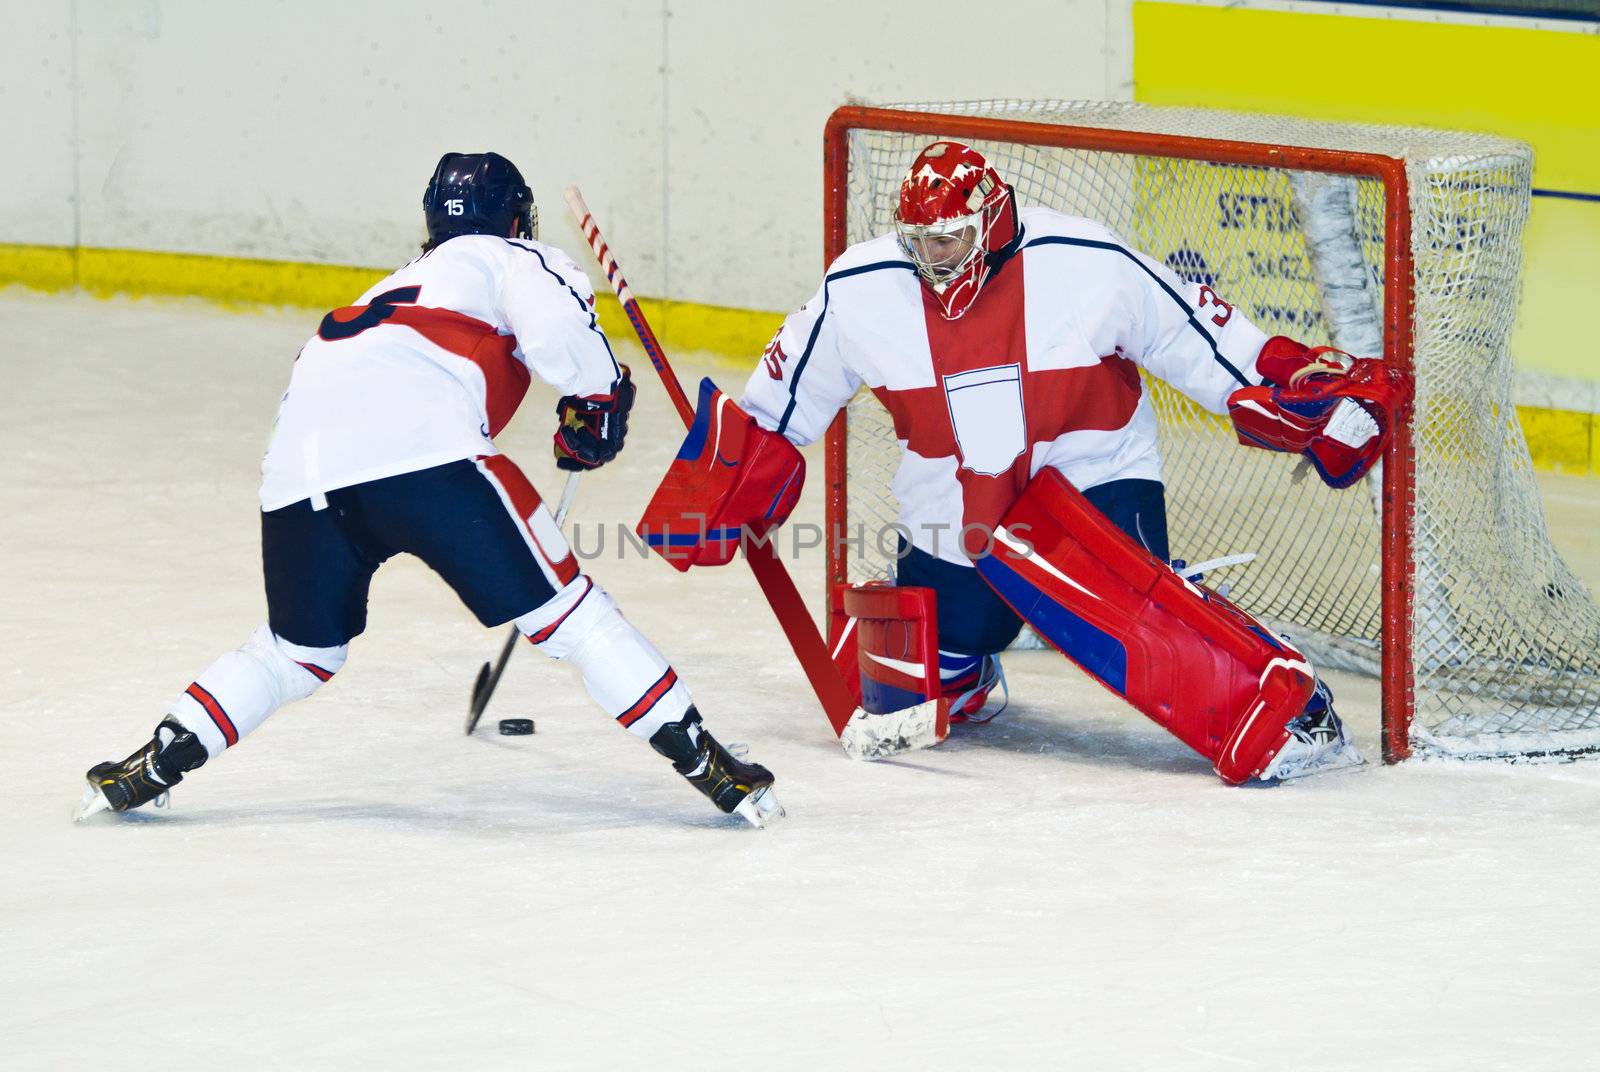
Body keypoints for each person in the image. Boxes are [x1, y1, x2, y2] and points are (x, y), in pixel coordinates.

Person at [76, 152, 782, 827]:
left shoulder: (391, 284)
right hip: (429, 460)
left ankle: (153, 761)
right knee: (574, 619)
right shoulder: (512, 257)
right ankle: (710, 766)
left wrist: (585, 413)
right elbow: (562, 334)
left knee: (295, 652)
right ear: (516, 218)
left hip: (299, 472)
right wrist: (598, 399)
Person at [722, 140, 1401, 782]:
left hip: (1090, 469)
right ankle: (969, 669)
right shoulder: (862, 287)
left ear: (989, 222)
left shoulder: (1086, 260)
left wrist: (1292, 386)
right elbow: (775, 403)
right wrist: (729, 474)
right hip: (952, 493)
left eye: (950, 238)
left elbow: (1198, 331)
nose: (934, 257)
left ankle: (1286, 704)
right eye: (921, 242)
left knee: (1134, 618)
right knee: (939, 659)